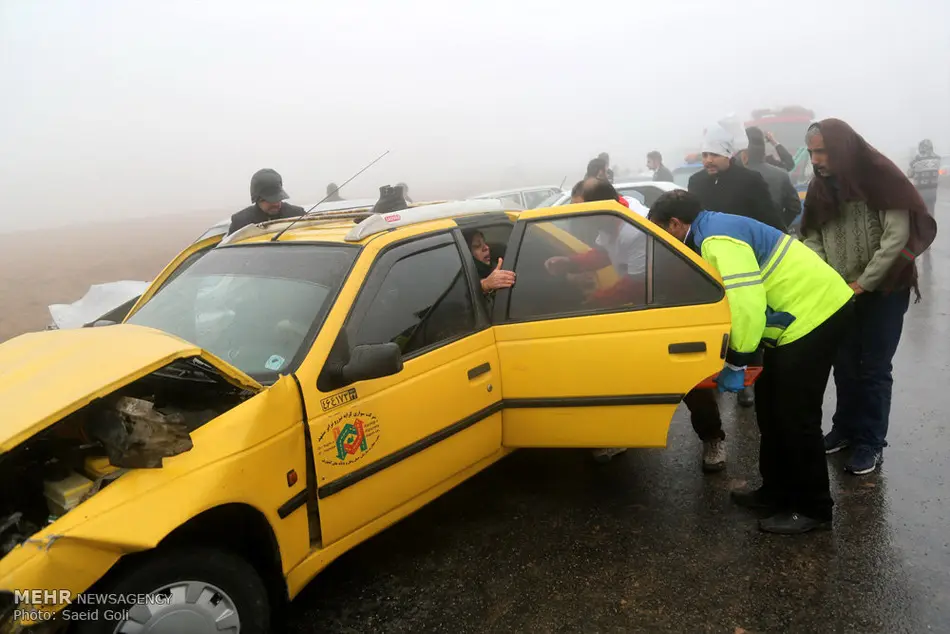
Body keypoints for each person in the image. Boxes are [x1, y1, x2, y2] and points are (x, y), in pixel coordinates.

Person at [648, 189, 855, 534]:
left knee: (795, 417)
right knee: (770, 410)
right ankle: (774, 493)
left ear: (674, 223)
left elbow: (746, 304)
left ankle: (813, 509)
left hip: (816, 314)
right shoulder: (707, 230)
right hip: (795, 318)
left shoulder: (716, 240)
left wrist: (737, 361)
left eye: (661, 232)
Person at [802, 119, 938, 475]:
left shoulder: (879, 178)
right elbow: (811, 235)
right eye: (812, 152)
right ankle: (844, 430)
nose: (816, 159)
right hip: (839, 292)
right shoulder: (820, 188)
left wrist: (863, 282)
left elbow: (896, 237)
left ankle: (870, 442)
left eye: (822, 151)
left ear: (842, 148)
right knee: (845, 365)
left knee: (874, 369)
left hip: (885, 289)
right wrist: (831, 279)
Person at [689, 125, 784, 411]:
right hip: (709, 267)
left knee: (749, 320)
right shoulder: (696, 182)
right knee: (716, 325)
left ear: (729, 154)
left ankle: (748, 380)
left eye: (714, 155)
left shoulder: (750, 180)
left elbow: (771, 220)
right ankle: (715, 373)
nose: (708, 160)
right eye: (705, 154)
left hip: (746, 266)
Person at [743, 127, 802, 229]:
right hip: (774, 233)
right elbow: (795, 207)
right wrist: (780, 225)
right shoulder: (779, 173)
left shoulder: (729, 172)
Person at [228, 168, 305, 235]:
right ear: (257, 199)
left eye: (278, 198)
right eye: (269, 200)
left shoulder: (297, 215)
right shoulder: (240, 222)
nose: (275, 203)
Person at [464, 230, 516, 296]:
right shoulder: (463, 278)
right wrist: (485, 285)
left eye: (485, 243)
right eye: (477, 245)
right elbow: (462, 294)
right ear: (467, 253)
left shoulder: (500, 269)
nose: (486, 248)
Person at [907, 139, 941, 215]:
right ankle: (931, 226)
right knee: (931, 212)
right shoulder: (938, 159)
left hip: (920, 191)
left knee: (920, 213)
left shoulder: (917, 159)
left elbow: (910, 173)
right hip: (933, 190)